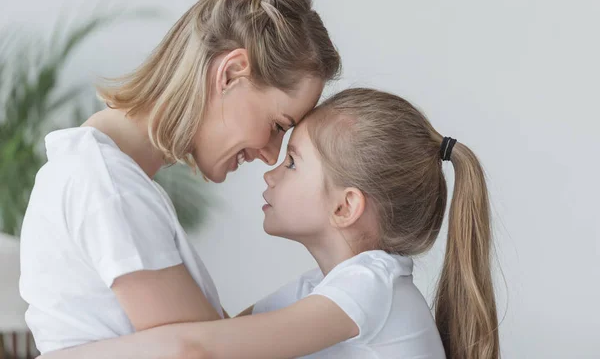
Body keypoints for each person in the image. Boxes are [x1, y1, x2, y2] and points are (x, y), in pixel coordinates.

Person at [41, 88, 500, 359]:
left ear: (346, 207)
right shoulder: (319, 290)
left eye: (294, 162)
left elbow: (196, 349)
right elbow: (220, 334)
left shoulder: (371, 285)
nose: (270, 170)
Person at [19, 0, 341, 354]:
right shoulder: (108, 186)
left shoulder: (108, 177)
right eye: (276, 126)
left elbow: (212, 341)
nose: (271, 155)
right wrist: (347, 307)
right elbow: (199, 352)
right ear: (231, 73)